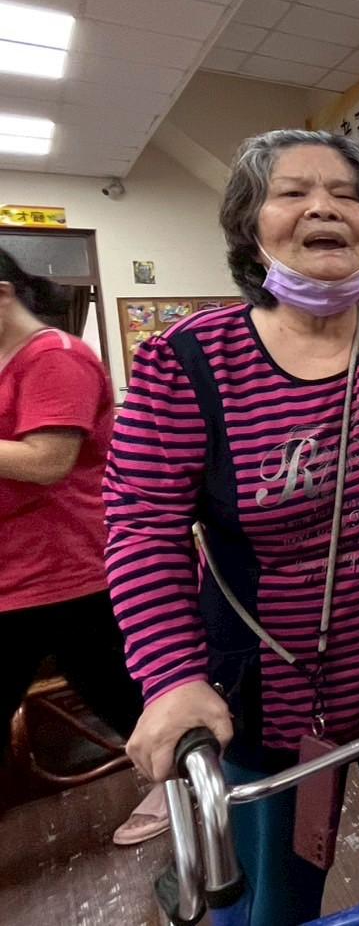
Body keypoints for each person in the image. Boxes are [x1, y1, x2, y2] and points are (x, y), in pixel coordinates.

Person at [104, 131, 359, 926]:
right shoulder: (189, 360)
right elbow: (142, 525)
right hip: (269, 704)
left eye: (347, 194)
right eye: (292, 192)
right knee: (269, 908)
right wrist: (171, 677)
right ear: (252, 227)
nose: (323, 207)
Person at [0, 250, 170, 845]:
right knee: (121, 689)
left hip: (69, 569)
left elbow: (47, 460)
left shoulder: (54, 357)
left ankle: (182, 781)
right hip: (19, 574)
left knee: (126, 691)